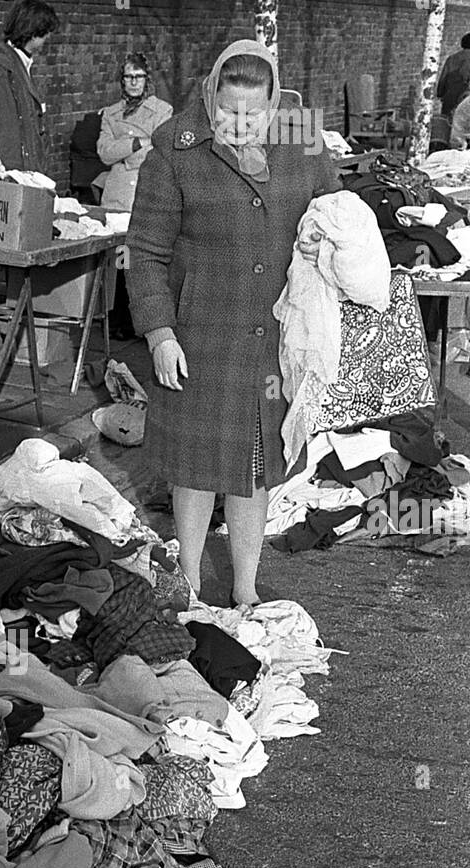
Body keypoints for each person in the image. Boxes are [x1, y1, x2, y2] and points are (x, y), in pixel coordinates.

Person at [126, 39, 340, 608]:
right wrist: (159, 333)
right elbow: (145, 250)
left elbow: (337, 210)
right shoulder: (175, 146)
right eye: (228, 111)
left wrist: (324, 236)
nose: (240, 124)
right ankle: (190, 583)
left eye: (254, 113)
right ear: (209, 96)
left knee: (257, 463)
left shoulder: (304, 141)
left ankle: (246, 587)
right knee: (194, 469)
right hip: (201, 330)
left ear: (275, 105)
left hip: (276, 333)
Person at [0, 0, 59, 174]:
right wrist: (18, 179)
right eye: (46, 33)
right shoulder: (0, 72)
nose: (48, 38)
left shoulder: (16, 66)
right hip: (10, 177)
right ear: (33, 33)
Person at [97, 53, 173, 213]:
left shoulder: (162, 111)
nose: (133, 82)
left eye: (139, 77)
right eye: (129, 76)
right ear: (122, 80)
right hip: (117, 194)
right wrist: (139, 143)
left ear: (147, 80)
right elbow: (105, 154)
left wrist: (122, 158)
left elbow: (160, 154)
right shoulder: (111, 114)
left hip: (148, 191)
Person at [438, 34, 470, 135]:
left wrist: (441, 93)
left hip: (450, 98)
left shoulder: (451, 58)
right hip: (466, 99)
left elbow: (443, 79)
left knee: (446, 126)